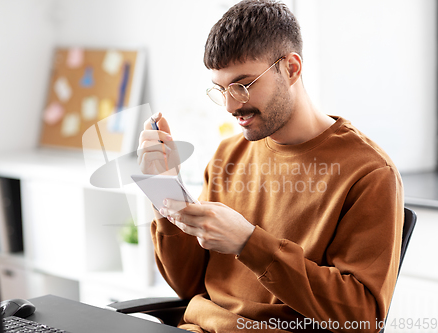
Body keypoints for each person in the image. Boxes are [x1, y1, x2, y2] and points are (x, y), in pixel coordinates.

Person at [137, 1, 404, 332]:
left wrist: (248, 243)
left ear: (291, 68)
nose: (231, 105)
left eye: (243, 84)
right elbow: (189, 287)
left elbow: (361, 317)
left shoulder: (368, 172)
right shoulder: (227, 155)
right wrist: (164, 193)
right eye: (221, 90)